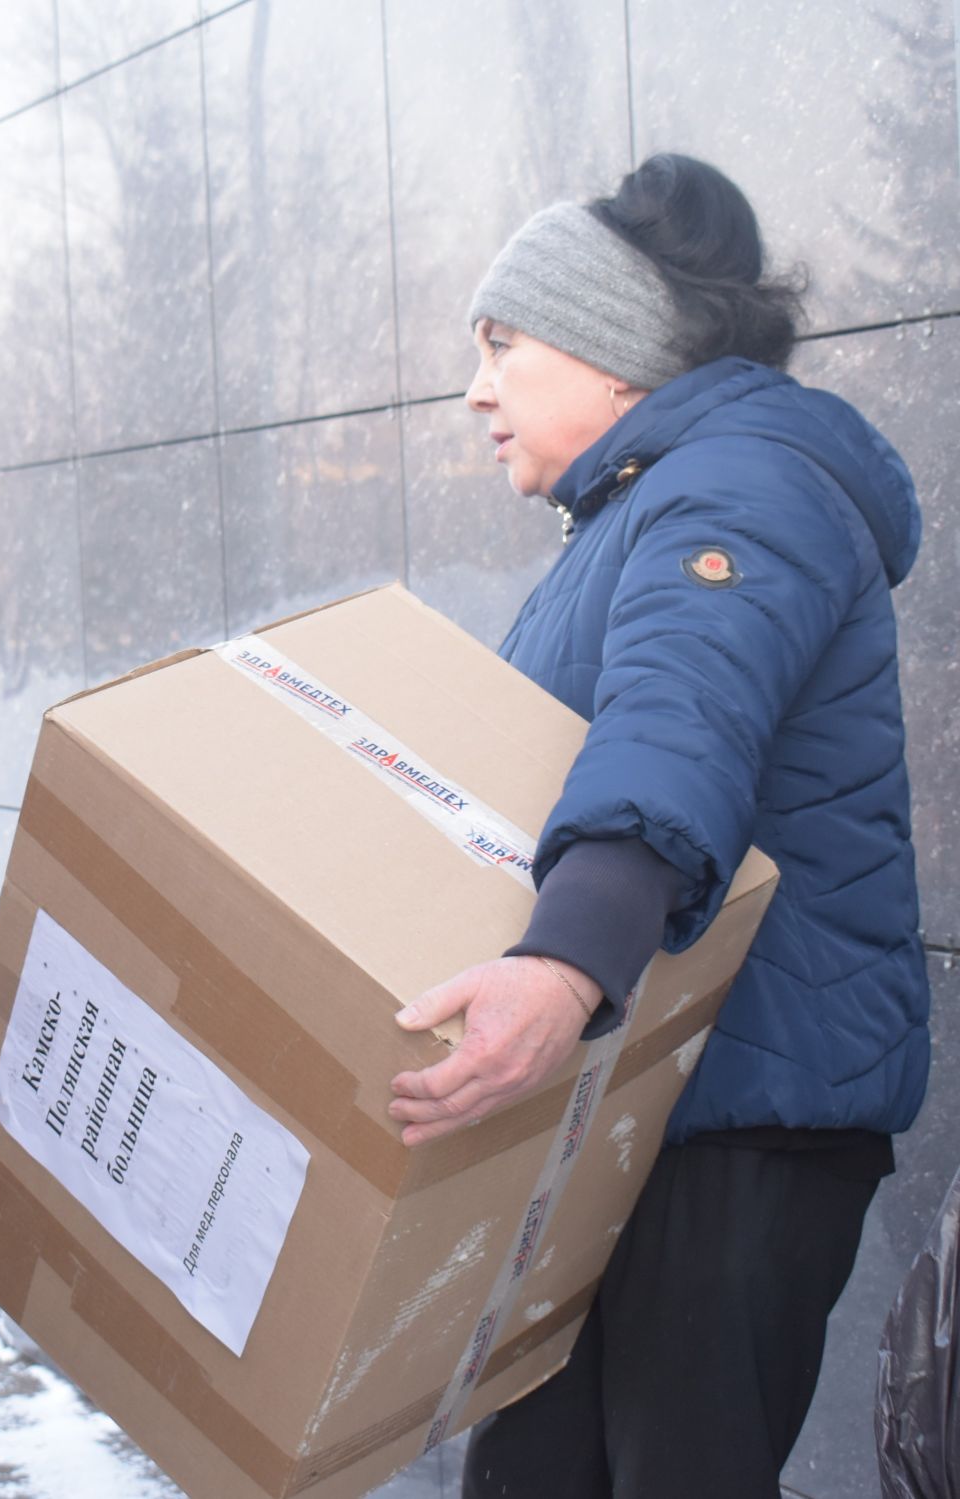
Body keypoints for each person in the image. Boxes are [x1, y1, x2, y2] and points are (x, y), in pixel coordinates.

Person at [384, 155, 930, 1497]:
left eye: (506, 343)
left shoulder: (740, 487)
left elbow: (677, 727)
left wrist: (564, 963)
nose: (477, 387)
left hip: (740, 1116)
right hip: (643, 1106)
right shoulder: (635, 516)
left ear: (620, 354)